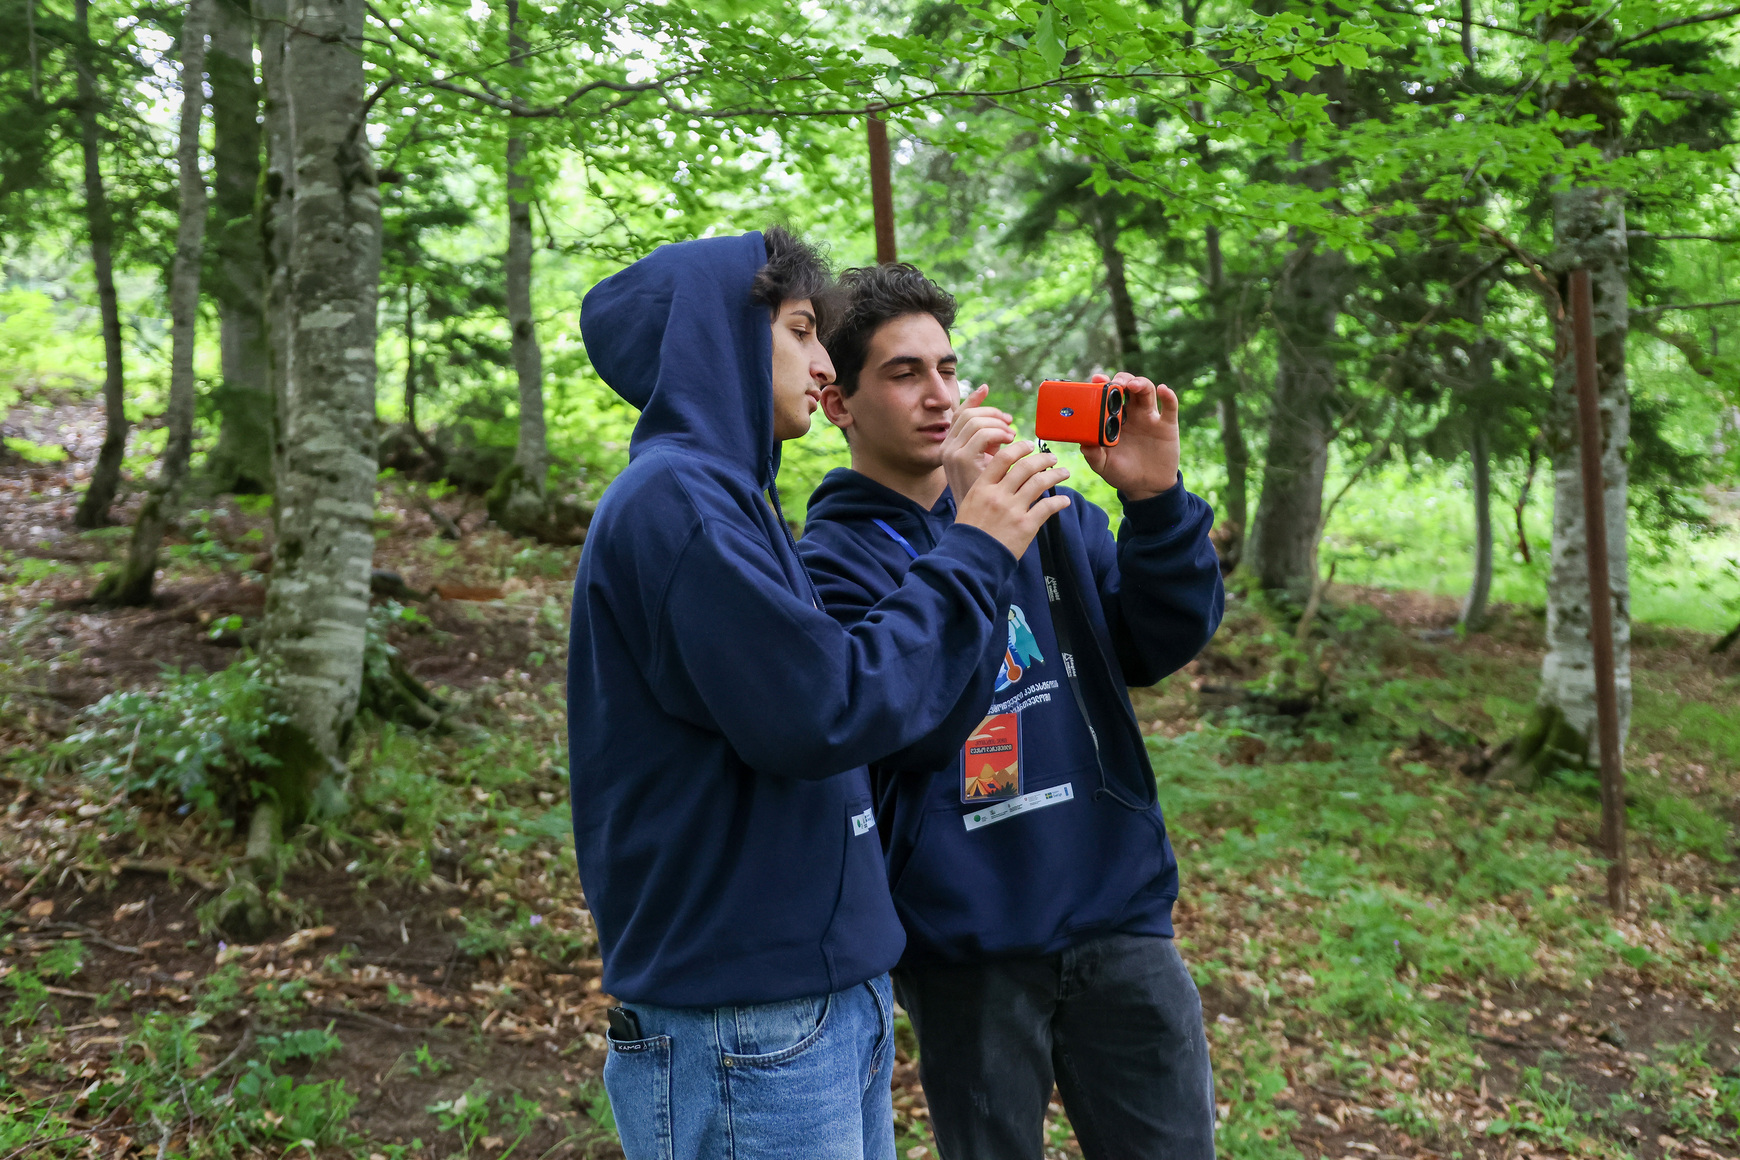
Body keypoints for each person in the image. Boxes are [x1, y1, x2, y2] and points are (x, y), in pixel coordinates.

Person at [568, 229, 1072, 1160]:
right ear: (718, 336)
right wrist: (974, 548)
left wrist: (977, 554)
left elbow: (899, 721)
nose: (822, 361)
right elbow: (825, 709)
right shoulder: (675, 502)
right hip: (745, 1016)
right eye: (800, 330)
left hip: (819, 996)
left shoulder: (734, 500)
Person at [798, 262, 1225, 1160]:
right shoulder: (828, 564)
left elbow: (1154, 642)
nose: (939, 394)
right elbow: (902, 726)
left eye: (947, 368)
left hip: (1117, 906)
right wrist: (973, 537)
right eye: (904, 373)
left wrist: (1154, 504)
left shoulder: (1045, 510)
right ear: (837, 404)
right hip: (968, 940)